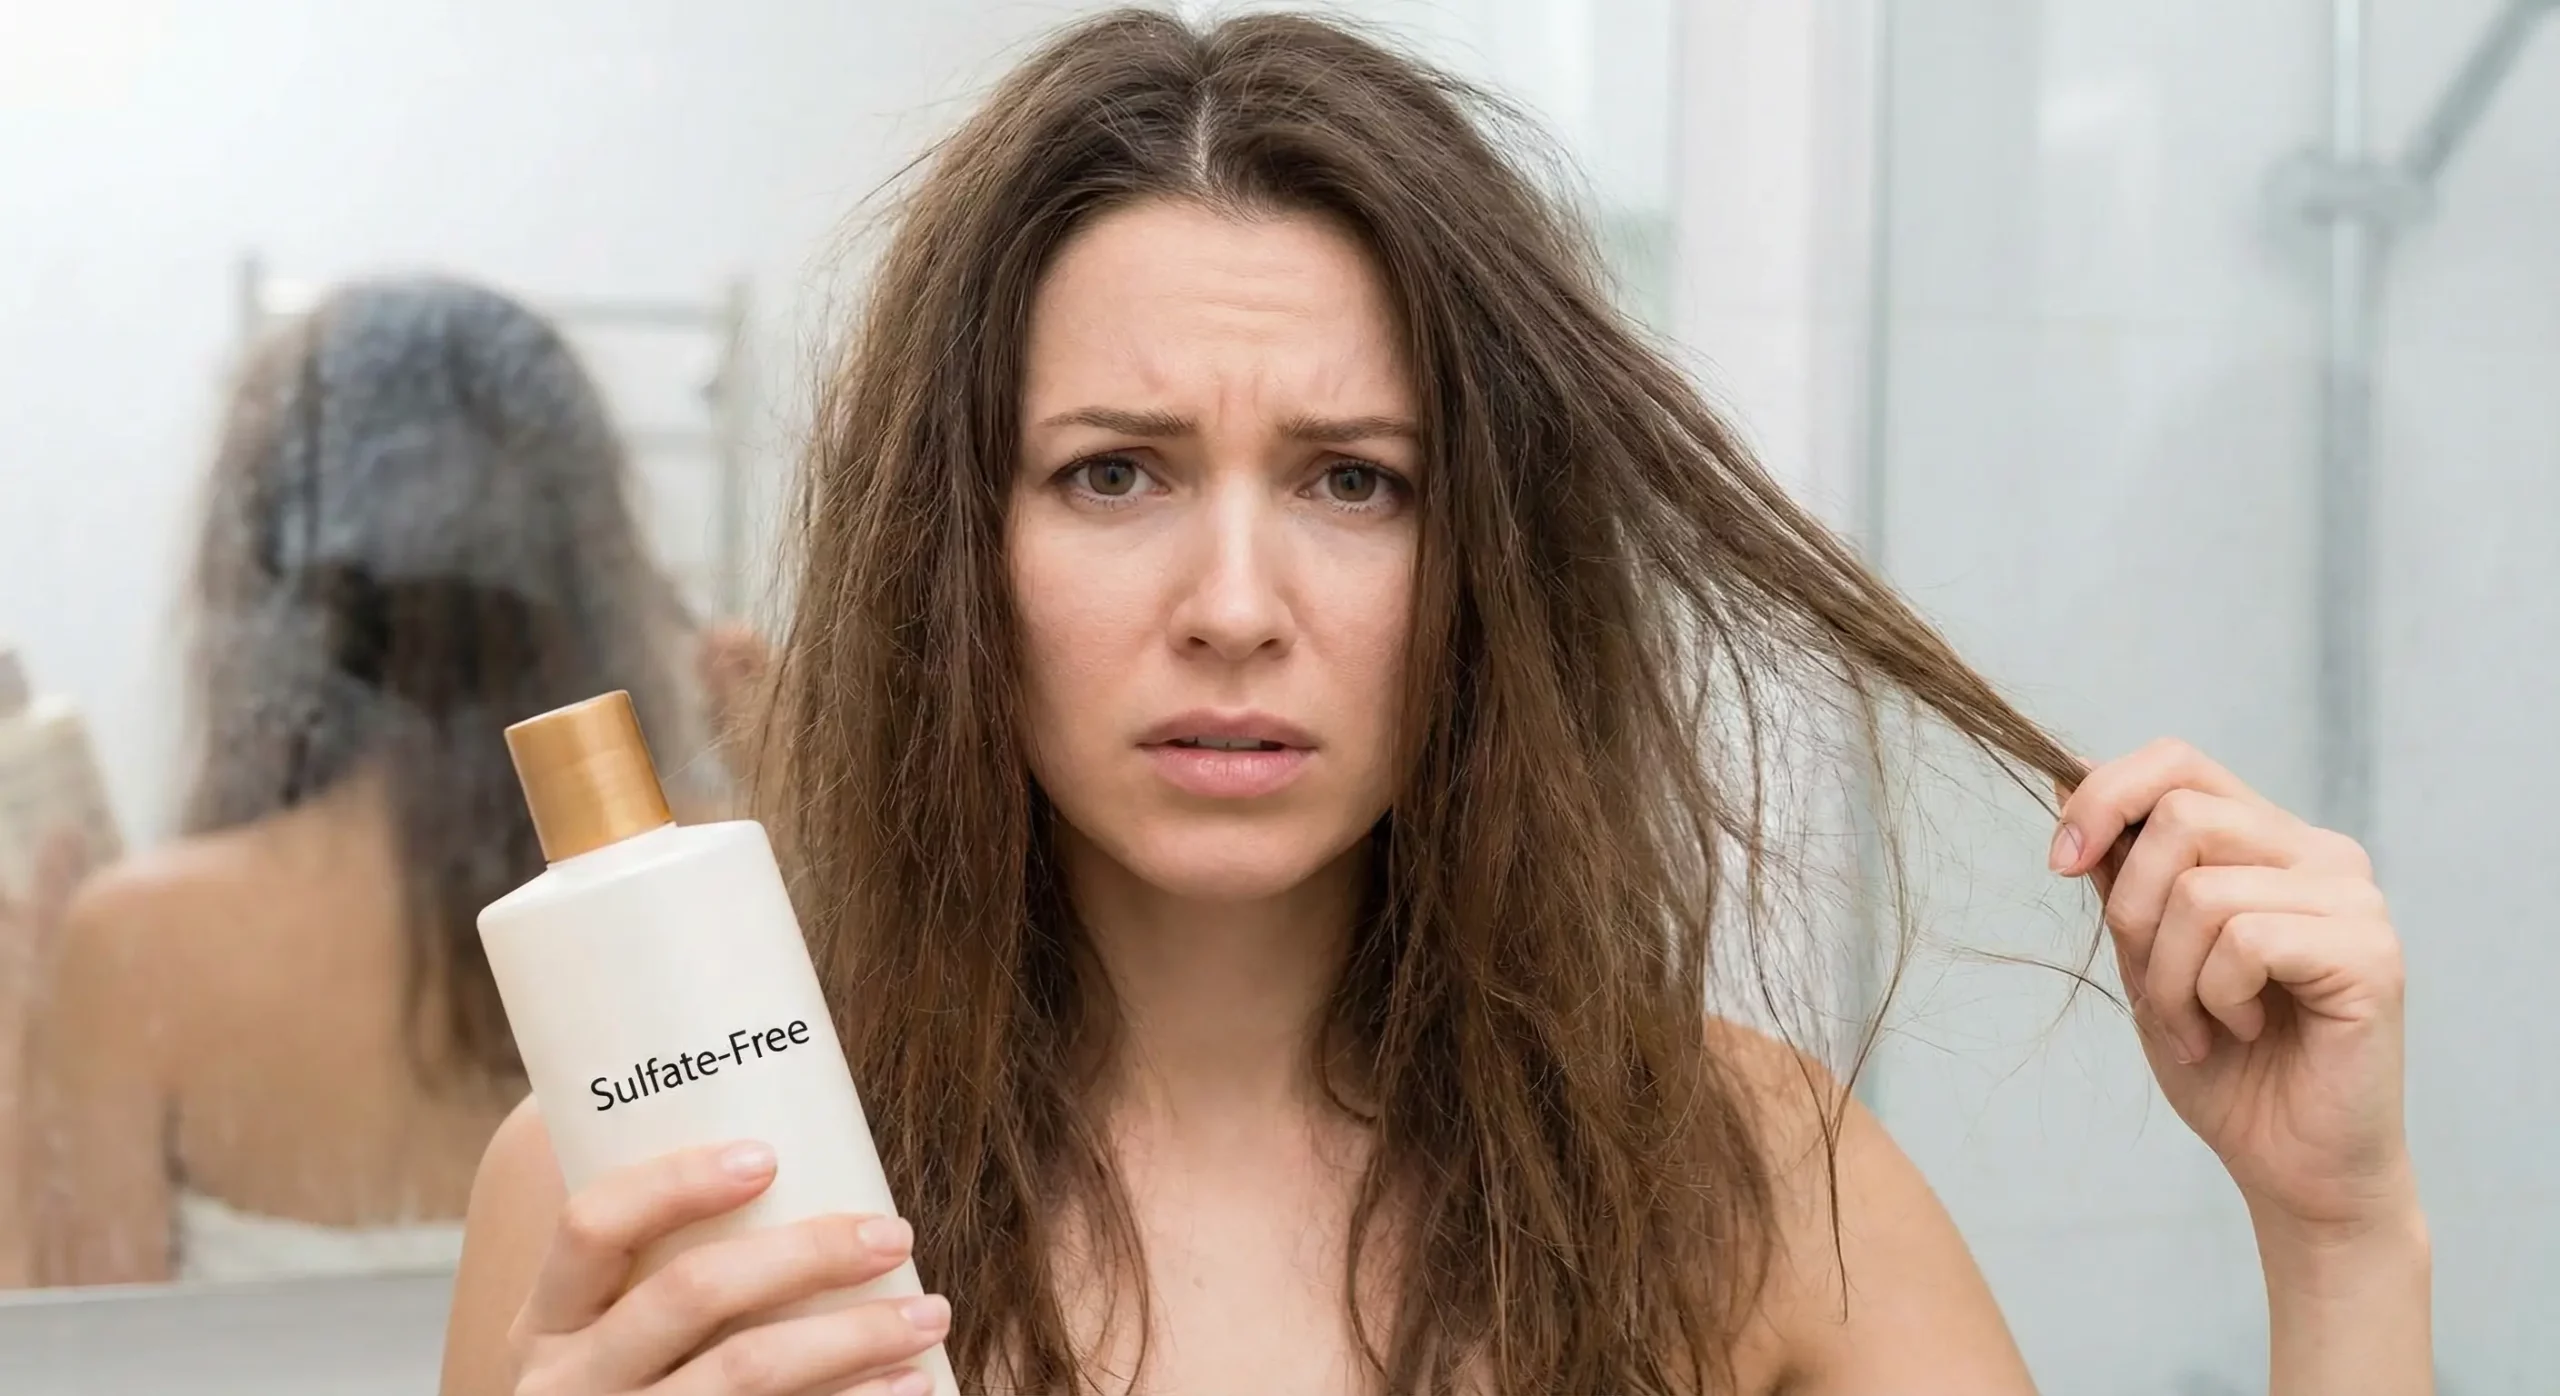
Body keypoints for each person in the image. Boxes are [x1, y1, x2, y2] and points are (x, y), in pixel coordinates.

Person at [440, 11, 2426, 1395]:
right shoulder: (652, 1176)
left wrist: (2331, 1229)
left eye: (1351, 480)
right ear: (957, 554)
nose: (1235, 606)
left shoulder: (1736, 1179)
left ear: (1483, 563)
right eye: (1112, 472)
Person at [0, 276, 750, 1287]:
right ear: (587, 557)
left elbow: (78, 1353)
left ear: (266, 569)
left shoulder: (135, 941)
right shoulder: (734, 889)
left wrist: (25, 1056)